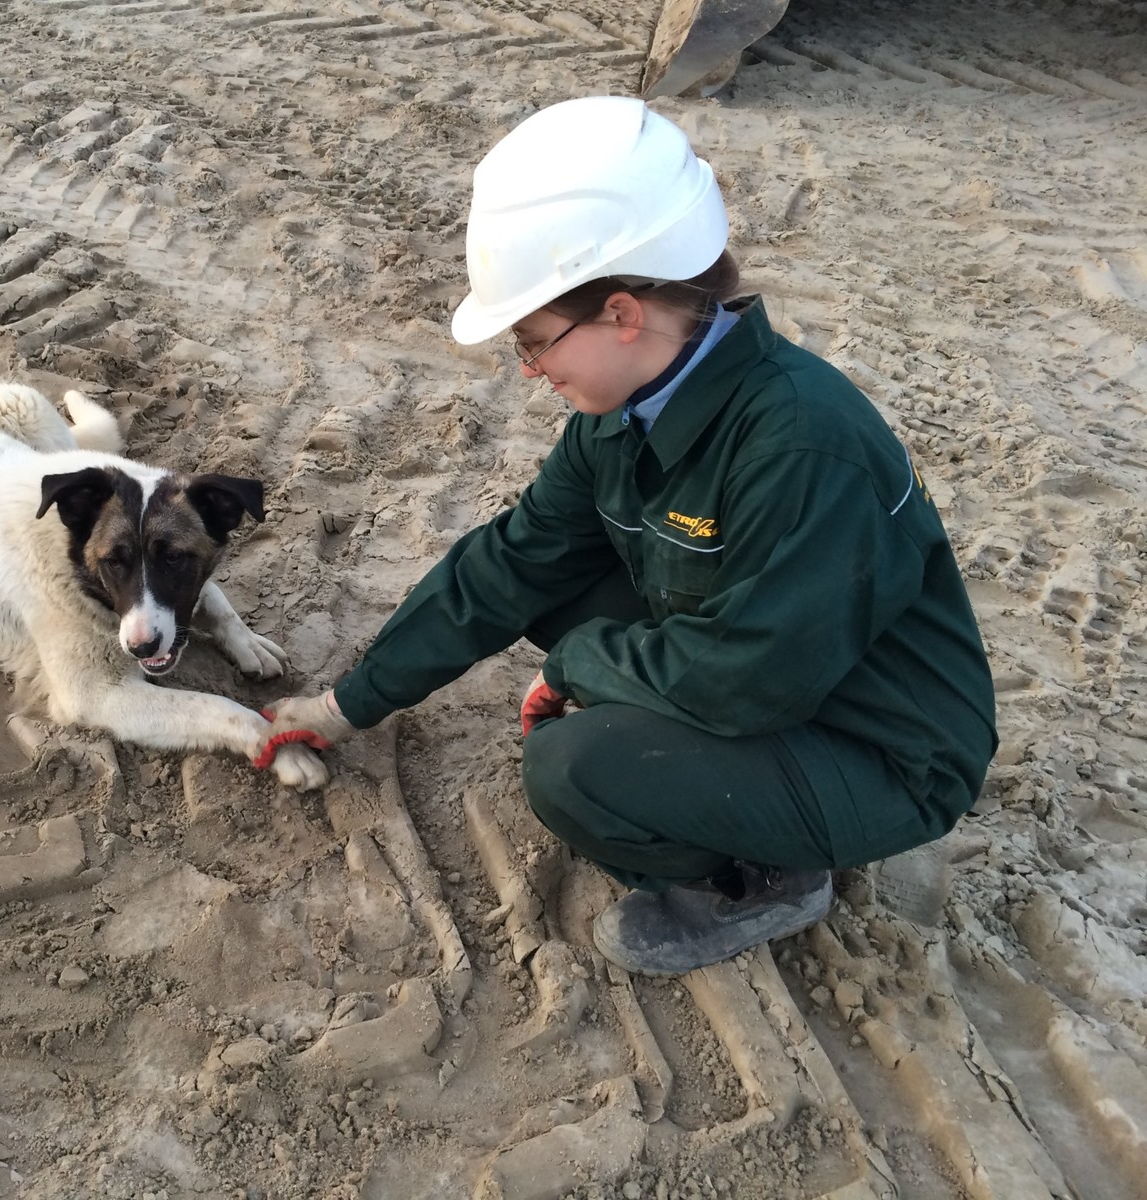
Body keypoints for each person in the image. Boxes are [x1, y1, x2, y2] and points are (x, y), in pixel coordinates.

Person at [255, 96, 997, 977]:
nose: (531, 371)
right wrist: (350, 705)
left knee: (576, 770)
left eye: (535, 342)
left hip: (880, 747)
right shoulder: (622, 416)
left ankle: (767, 879)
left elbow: (748, 678)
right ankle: (733, 799)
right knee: (557, 585)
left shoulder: (801, 445)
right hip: (777, 675)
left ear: (622, 313)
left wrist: (580, 667)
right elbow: (510, 565)